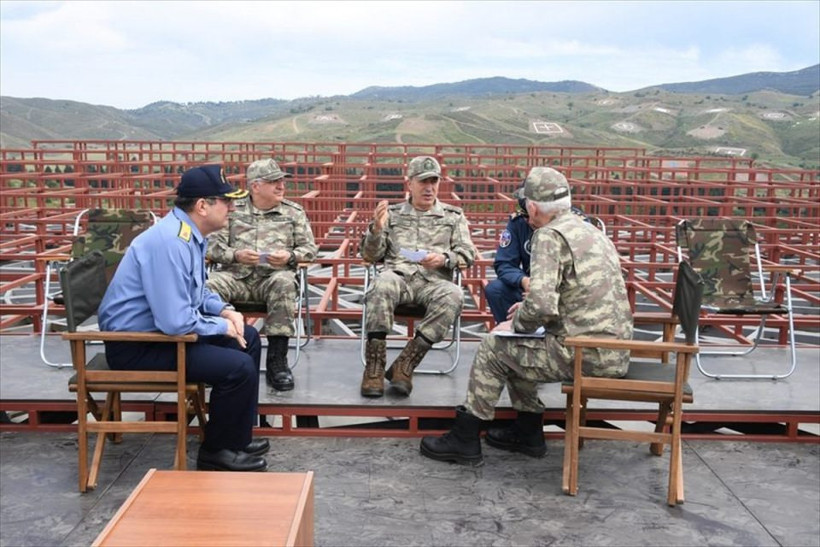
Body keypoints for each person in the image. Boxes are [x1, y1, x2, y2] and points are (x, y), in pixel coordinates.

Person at [419, 166, 633, 466]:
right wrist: (528, 313)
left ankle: (465, 438)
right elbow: (576, 297)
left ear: (532, 206)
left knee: (494, 347)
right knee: (518, 345)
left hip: (585, 353)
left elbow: (543, 305)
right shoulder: (592, 232)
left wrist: (517, 321)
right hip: (615, 352)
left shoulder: (549, 235)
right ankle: (528, 431)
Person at [98, 165, 269, 472]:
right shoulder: (171, 242)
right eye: (225, 201)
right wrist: (222, 327)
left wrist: (224, 310)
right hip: (137, 346)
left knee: (250, 339)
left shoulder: (188, 235)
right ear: (202, 205)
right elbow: (174, 321)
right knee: (238, 366)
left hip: (162, 337)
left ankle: (234, 438)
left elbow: (196, 291)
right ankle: (217, 452)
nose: (232, 206)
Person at [360, 156, 476, 398]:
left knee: (454, 294)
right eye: (423, 181)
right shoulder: (391, 214)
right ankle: (374, 368)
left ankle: (405, 364)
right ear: (409, 184)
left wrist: (444, 258)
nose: (429, 187)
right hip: (398, 278)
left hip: (433, 282)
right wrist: (376, 229)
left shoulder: (453, 216)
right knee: (381, 284)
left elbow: (467, 253)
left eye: (434, 181)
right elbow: (370, 256)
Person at [206, 159, 317, 392]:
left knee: (285, 283)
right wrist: (236, 255)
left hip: (272, 279)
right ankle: (215, 355)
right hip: (236, 277)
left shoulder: (293, 212)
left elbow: (310, 249)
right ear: (255, 186)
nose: (280, 186)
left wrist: (289, 256)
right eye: (273, 182)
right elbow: (213, 248)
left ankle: (277, 361)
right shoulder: (232, 209)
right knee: (208, 286)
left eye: (281, 181)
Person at [487, 195, 593, 324]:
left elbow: (585, 276)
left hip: (566, 290)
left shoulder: (577, 225)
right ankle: (514, 337)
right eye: (527, 217)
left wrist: (543, 293)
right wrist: (524, 281)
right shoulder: (519, 222)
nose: (530, 222)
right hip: (530, 285)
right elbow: (504, 263)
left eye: (533, 216)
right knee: (496, 289)